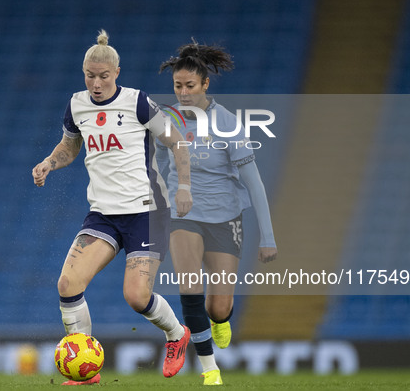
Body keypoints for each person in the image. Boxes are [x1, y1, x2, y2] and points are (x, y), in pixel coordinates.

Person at [32, 30, 193, 385]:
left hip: (146, 212)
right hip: (103, 214)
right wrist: (49, 163)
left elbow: (177, 142)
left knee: (136, 297)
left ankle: (175, 334)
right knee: (67, 283)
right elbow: (69, 148)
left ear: (117, 73)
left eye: (103, 76)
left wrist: (184, 185)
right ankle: (87, 371)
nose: (96, 83)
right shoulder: (77, 105)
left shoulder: (137, 102)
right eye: (90, 75)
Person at [157, 42, 278, 386]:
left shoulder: (226, 123)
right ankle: (210, 369)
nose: (183, 92)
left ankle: (220, 319)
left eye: (190, 86)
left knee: (218, 307)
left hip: (225, 218)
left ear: (205, 84)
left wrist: (267, 237)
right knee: (190, 284)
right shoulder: (165, 119)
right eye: (177, 86)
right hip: (183, 214)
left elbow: (253, 182)